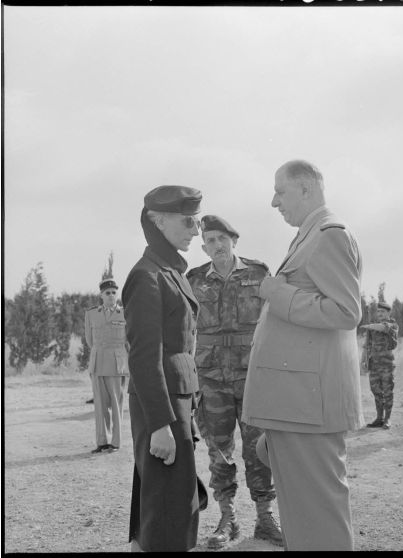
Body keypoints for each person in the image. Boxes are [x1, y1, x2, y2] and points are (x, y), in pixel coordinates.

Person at [242, 160, 364, 551]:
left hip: (309, 404)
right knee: (302, 513)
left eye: (281, 191)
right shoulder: (309, 235)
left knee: (320, 514)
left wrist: (277, 293)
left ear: (307, 190)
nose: (274, 201)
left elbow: (346, 312)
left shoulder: (330, 235)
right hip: (297, 403)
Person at [186, 215, 282, 549]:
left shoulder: (257, 274)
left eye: (221, 239)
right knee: (219, 451)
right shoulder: (194, 280)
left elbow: (275, 321)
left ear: (234, 241)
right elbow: (185, 330)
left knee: (258, 448)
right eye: (210, 241)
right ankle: (228, 519)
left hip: (252, 376)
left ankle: (265, 518)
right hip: (211, 378)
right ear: (203, 246)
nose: (216, 246)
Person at [121, 185, 204, 552]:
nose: (194, 230)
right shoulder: (147, 276)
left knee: (171, 503)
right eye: (188, 221)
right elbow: (144, 356)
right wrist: (160, 425)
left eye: (196, 221)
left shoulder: (169, 270)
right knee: (170, 511)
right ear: (157, 221)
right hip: (164, 410)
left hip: (177, 404)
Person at [84, 278, 129, 453]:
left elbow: (129, 341)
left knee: (116, 403)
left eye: (113, 292)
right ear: (101, 295)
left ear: (117, 295)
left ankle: (115, 442)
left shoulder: (125, 313)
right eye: (107, 293)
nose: (111, 295)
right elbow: (89, 340)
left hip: (117, 363)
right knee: (100, 404)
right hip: (97, 361)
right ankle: (102, 441)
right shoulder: (91, 314)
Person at [362, 301, 398, 429]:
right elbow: (367, 345)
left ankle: (387, 419)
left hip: (387, 365)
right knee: (376, 391)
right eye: (378, 311)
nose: (380, 313)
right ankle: (379, 418)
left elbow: (383, 328)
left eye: (382, 311)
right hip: (374, 364)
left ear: (389, 313)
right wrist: (363, 360)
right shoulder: (372, 327)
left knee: (387, 391)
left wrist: (369, 326)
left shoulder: (392, 324)